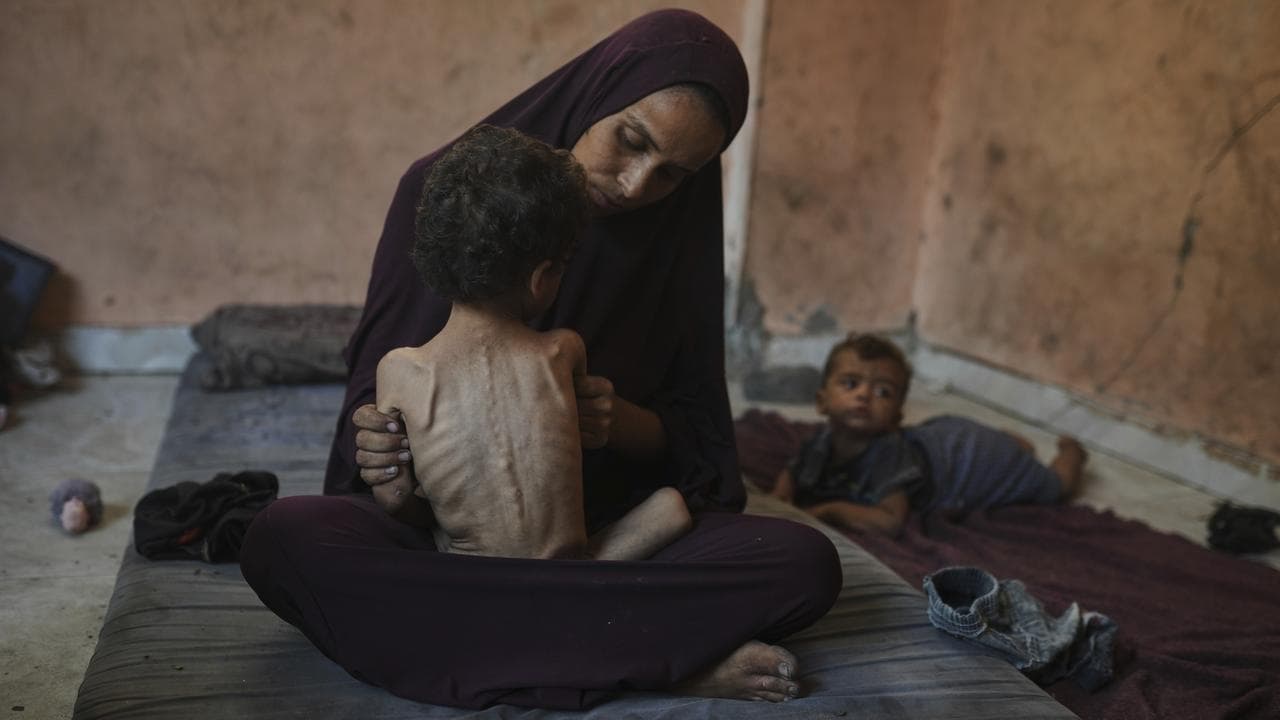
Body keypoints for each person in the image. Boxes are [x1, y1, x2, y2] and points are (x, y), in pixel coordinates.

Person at [240, 9, 842, 711]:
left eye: (673, 174)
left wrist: (616, 424)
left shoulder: (674, 241)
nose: (634, 184)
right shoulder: (442, 193)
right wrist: (379, 445)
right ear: (599, 92)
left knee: (804, 563)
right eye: (631, 140)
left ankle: (506, 645)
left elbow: (700, 450)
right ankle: (653, 663)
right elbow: (368, 422)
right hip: (455, 540)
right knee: (284, 540)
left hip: (599, 526)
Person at [375, 123, 691, 561]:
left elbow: (395, 501)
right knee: (672, 506)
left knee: (303, 529)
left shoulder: (399, 369)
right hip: (570, 576)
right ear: (543, 278)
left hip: (472, 586)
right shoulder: (563, 351)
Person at [770, 333, 1087, 536]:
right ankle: (1014, 443)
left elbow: (889, 520)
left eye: (883, 391)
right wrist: (780, 495)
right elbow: (794, 470)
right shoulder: (820, 442)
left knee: (1053, 488)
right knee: (994, 441)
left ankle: (1070, 455)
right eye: (851, 384)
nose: (864, 395)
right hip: (946, 436)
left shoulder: (889, 457)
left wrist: (829, 510)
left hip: (972, 461)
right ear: (821, 401)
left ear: (896, 417)